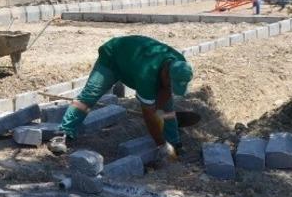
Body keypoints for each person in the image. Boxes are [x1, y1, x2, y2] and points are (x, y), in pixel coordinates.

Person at [48, 35, 193, 159]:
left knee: (167, 108)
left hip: (133, 61)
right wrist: (161, 144)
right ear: (166, 74)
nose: (172, 89)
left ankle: (175, 142)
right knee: (88, 97)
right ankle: (63, 133)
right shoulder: (146, 75)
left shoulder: (179, 63)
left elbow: (165, 98)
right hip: (112, 58)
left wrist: (171, 141)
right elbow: (148, 115)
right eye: (172, 84)